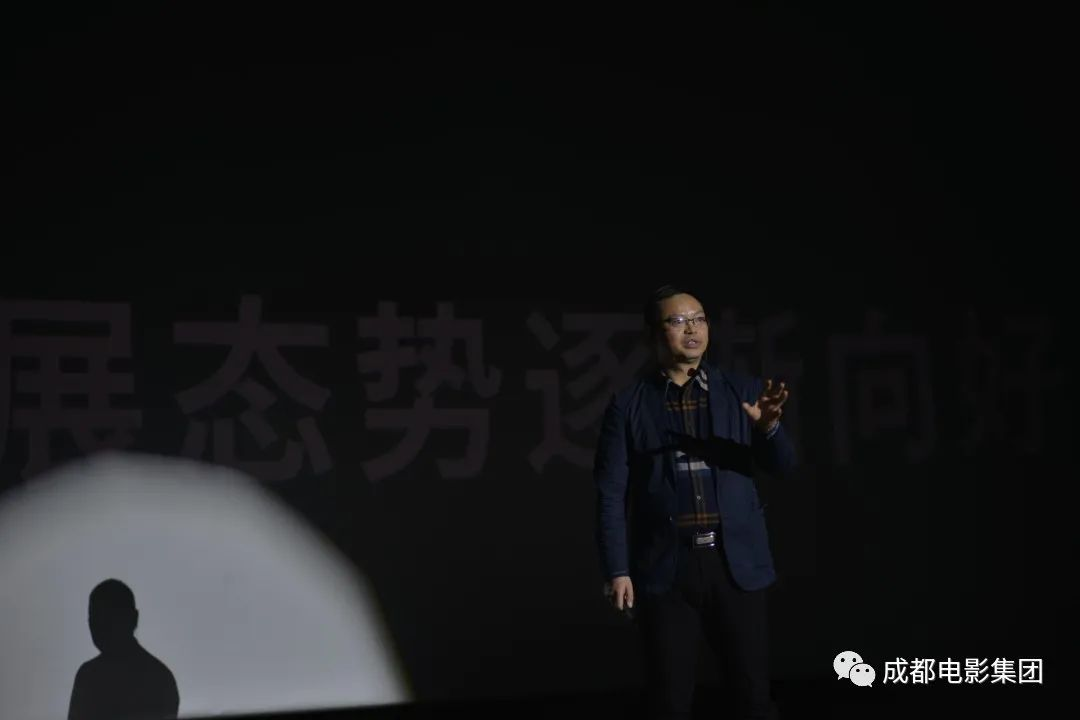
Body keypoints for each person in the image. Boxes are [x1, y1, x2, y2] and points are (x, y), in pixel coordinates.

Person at [594, 285, 796, 719]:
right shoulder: (629, 405)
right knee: (668, 702)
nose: (693, 329)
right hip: (667, 567)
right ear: (653, 334)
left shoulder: (742, 391)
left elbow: (784, 466)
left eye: (700, 319)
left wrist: (768, 429)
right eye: (678, 321)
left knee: (753, 698)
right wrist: (617, 569)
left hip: (734, 564)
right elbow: (610, 492)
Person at [68, 579, 180, 720]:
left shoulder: (88, 676)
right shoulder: (161, 677)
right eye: (95, 618)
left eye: (109, 618)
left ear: (132, 618)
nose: (100, 626)